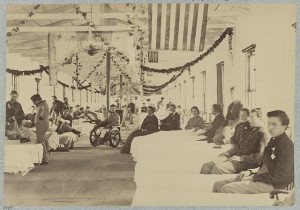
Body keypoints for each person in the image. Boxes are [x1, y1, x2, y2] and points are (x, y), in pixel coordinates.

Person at [213, 110, 293, 194]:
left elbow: (280, 177)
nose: (270, 127)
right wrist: (250, 172)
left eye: (274, 124)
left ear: (285, 126)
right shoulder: (273, 141)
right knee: (217, 185)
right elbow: (265, 167)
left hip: (274, 185)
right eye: (269, 124)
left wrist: (255, 177)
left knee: (227, 189)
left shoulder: (287, 146)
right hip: (262, 177)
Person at [200, 108, 268, 174]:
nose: (249, 120)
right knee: (206, 166)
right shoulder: (252, 131)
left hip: (247, 163)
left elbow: (259, 156)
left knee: (217, 168)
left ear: (260, 119)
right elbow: (239, 146)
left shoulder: (262, 133)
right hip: (235, 157)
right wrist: (229, 153)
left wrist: (241, 158)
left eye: (252, 117)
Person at [31, 94, 49, 165]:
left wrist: (41, 117)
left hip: (42, 124)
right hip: (40, 124)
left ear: (37, 100)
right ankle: (43, 158)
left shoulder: (44, 104)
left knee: (40, 141)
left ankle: (44, 159)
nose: (33, 103)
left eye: (33, 101)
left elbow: (46, 111)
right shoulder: (40, 105)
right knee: (42, 141)